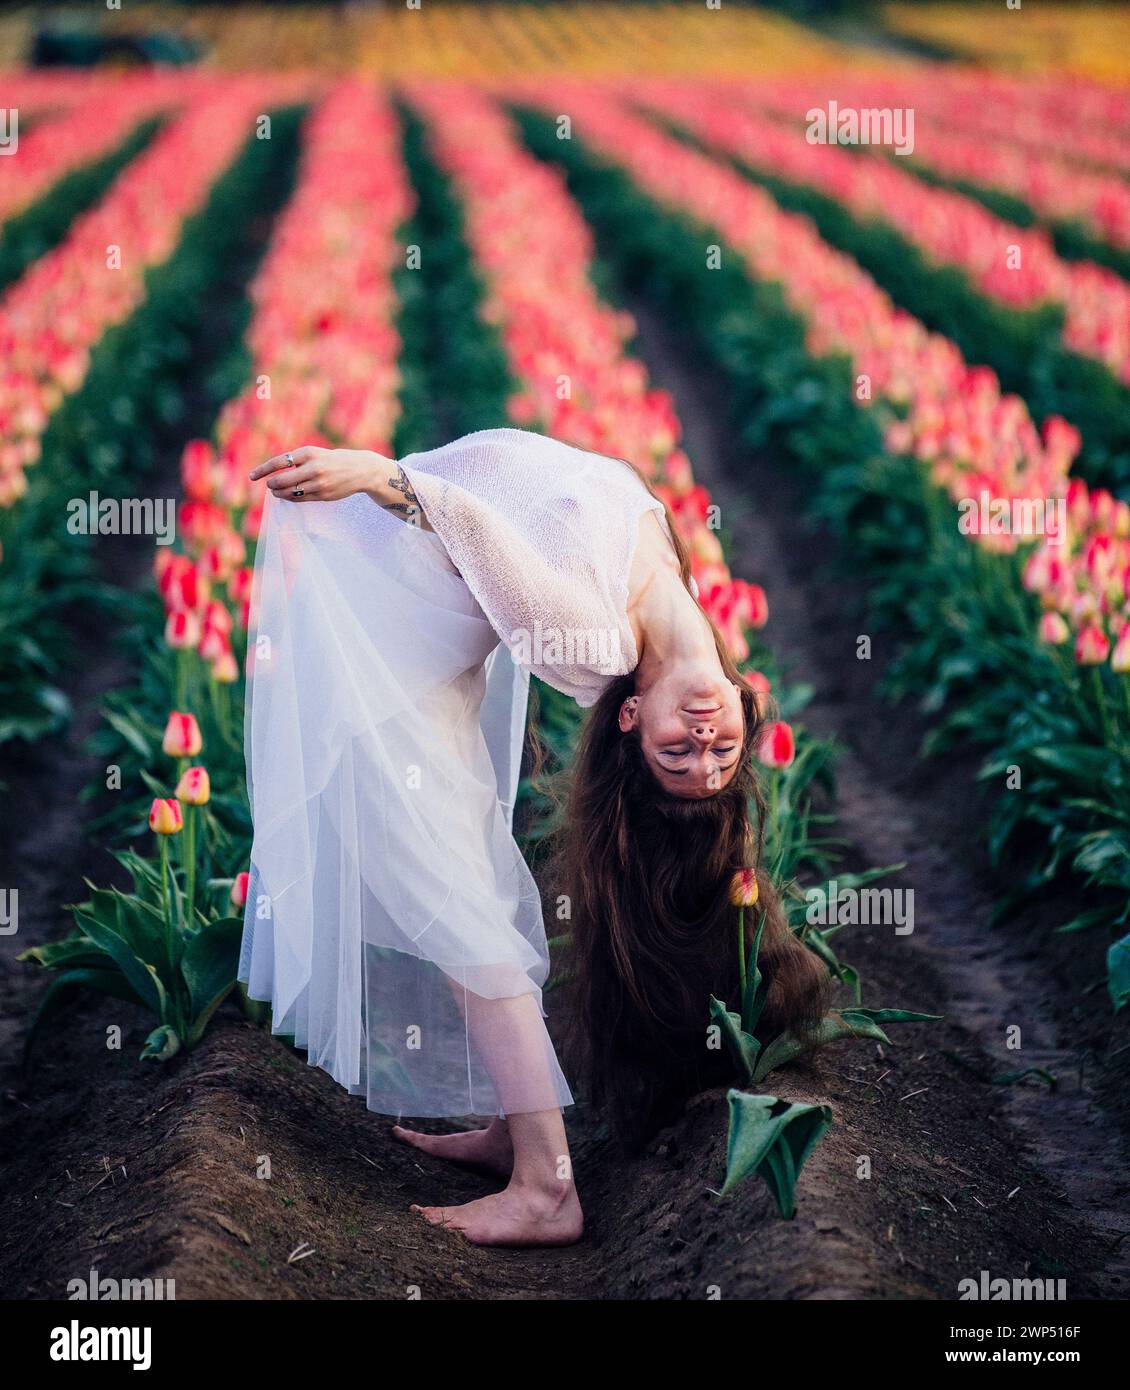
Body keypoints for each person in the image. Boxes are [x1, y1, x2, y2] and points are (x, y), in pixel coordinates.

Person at [239, 428, 826, 1248]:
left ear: (632, 720)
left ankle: (549, 1186)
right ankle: (517, 1134)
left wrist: (377, 474)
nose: (703, 741)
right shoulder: (672, 574)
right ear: (744, 698)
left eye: (677, 754)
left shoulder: (598, 641)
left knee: (455, 907)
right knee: (459, 896)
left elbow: (481, 536)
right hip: (406, 626)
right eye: (717, 749)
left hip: (382, 671)